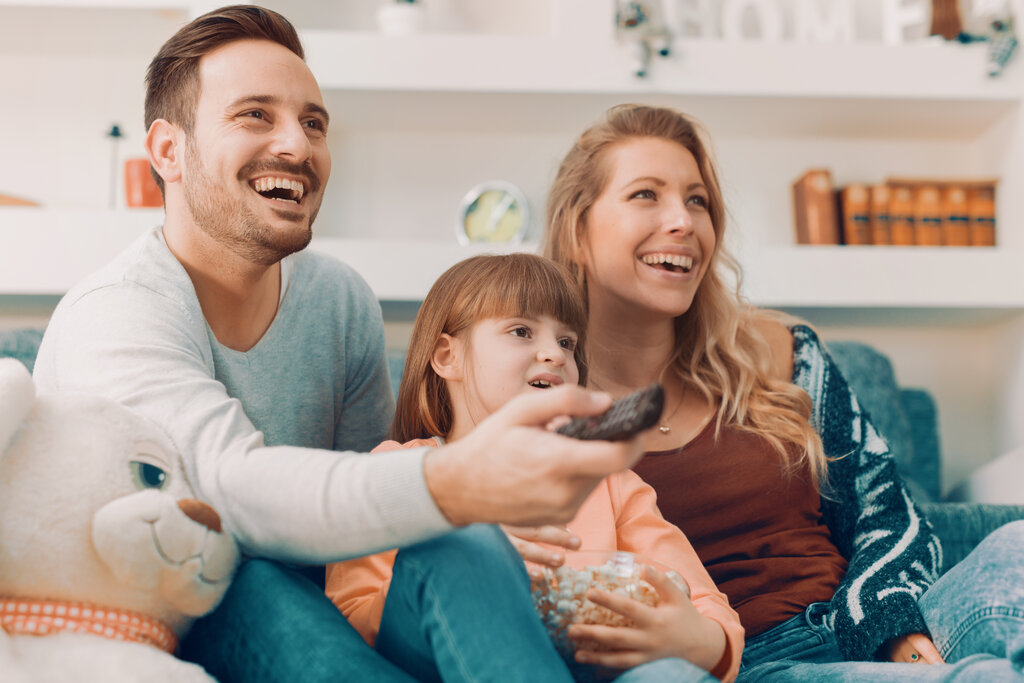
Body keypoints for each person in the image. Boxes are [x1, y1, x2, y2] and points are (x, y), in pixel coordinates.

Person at [30, 7, 644, 682]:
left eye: (314, 122)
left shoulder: (340, 301)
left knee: (457, 540)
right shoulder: (116, 312)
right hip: (175, 617)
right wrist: (460, 480)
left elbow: (371, 511)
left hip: (324, 605)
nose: (297, 145)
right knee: (254, 580)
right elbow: (226, 491)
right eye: (255, 115)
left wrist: (485, 535)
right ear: (168, 151)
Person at [541, 103, 1024, 681]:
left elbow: (889, 516)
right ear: (578, 228)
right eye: (646, 195)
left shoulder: (779, 352)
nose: (684, 222)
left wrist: (896, 635)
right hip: (749, 662)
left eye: (698, 201)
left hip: (876, 629)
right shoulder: (543, 398)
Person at [325, 253, 744, 682]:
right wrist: (477, 555)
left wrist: (701, 641)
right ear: (447, 357)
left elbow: (706, 604)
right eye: (521, 331)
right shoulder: (397, 469)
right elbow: (349, 622)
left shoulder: (610, 482)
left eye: (567, 342)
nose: (554, 354)